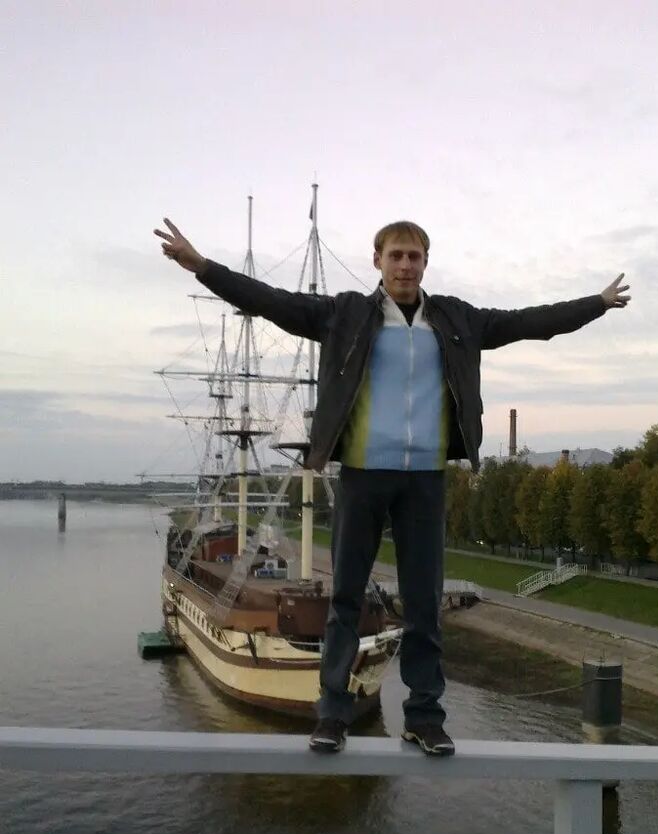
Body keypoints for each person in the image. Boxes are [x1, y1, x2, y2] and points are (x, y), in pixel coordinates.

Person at [154, 216, 630, 757]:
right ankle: (332, 712)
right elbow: (270, 301)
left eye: (414, 256)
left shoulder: (456, 319)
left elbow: (531, 322)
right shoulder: (344, 315)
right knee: (346, 599)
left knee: (424, 603)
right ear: (377, 260)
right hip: (363, 474)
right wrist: (202, 267)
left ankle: (424, 717)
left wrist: (596, 304)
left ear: (425, 263)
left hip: (425, 478)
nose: (405, 265)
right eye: (396, 255)